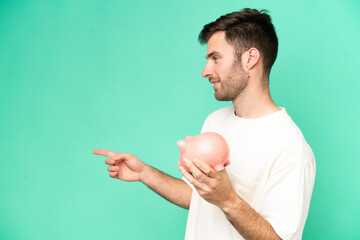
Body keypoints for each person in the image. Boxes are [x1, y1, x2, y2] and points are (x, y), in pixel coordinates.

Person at [93, 8, 316, 240]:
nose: (205, 71)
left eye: (216, 58)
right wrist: (145, 173)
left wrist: (228, 199)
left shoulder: (290, 148)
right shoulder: (215, 121)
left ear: (250, 59)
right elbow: (201, 199)